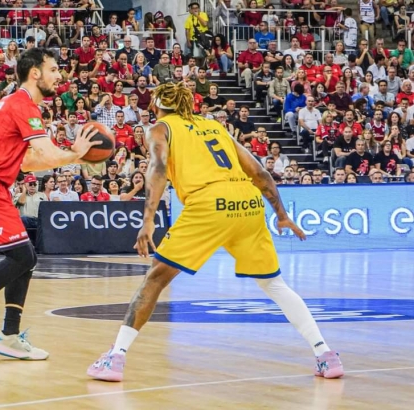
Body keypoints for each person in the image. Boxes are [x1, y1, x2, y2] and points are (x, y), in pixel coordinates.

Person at [87, 82, 344, 382]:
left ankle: (115, 358)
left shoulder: (159, 129)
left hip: (209, 203)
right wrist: (282, 216)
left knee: (155, 279)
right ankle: (325, 354)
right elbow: (259, 172)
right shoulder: (214, 126)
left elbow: (157, 169)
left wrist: (148, 220)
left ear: (157, 104)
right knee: (274, 285)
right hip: (248, 203)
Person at [0, 48, 100, 360]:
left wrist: (66, 155)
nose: (59, 76)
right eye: (54, 69)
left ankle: (9, 335)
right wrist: (77, 153)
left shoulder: (14, 104)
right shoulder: (23, 104)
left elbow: (28, 163)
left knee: (25, 256)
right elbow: (49, 155)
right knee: (20, 255)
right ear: (36, 73)